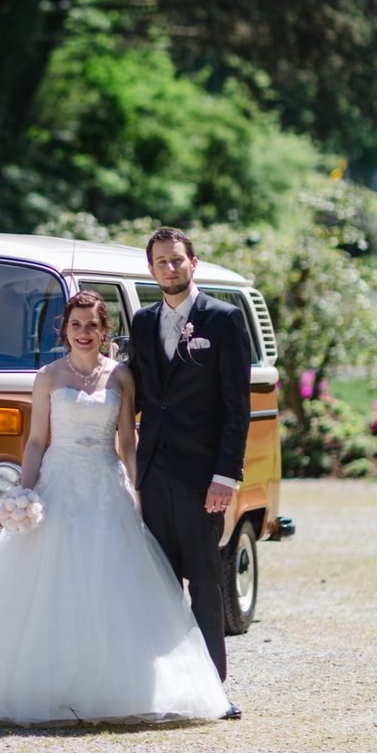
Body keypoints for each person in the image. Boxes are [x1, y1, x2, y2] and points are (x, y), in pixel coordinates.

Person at [0, 291, 230, 726]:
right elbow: (37, 440)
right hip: (58, 483)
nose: (84, 333)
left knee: (110, 581)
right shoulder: (48, 377)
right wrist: (24, 494)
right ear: (65, 330)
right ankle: (44, 683)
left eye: (92, 326)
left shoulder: (121, 377)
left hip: (104, 482)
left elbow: (128, 443)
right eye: (76, 325)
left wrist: (141, 491)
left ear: (104, 331)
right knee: (47, 582)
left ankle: (120, 686)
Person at [129, 226, 251, 716]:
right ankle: (159, 687)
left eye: (177, 260)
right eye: (160, 262)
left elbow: (235, 407)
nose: (170, 268)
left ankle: (212, 691)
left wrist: (226, 476)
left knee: (203, 579)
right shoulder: (141, 322)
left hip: (203, 476)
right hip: (152, 470)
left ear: (193, 263)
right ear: (151, 269)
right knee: (156, 581)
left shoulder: (223, 320)